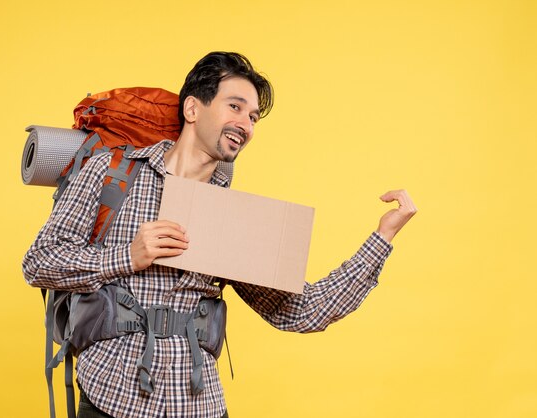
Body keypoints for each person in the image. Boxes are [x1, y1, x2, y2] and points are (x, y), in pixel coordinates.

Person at [23, 51, 417, 418]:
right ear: (193, 107)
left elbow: (300, 311)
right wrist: (127, 256)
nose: (245, 125)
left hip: (199, 405)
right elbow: (38, 263)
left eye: (253, 118)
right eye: (235, 107)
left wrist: (381, 238)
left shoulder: (232, 214)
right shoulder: (112, 173)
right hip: (112, 399)